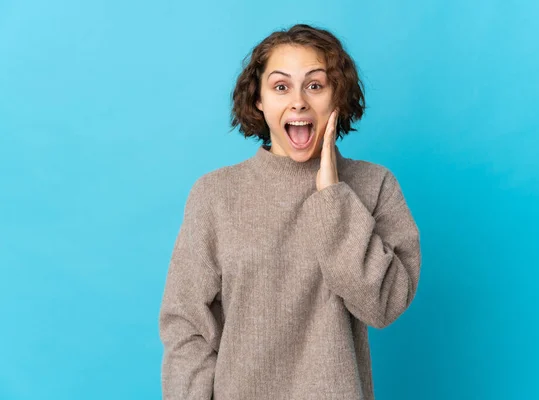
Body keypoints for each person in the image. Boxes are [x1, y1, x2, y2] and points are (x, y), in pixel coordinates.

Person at [158, 23, 421, 400]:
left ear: (337, 97)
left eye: (315, 85)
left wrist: (332, 194)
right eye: (281, 86)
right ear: (259, 100)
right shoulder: (215, 194)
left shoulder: (374, 185)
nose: (298, 101)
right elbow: (187, 327)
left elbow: (382, 305)